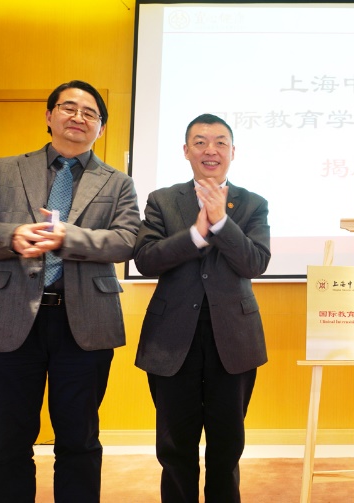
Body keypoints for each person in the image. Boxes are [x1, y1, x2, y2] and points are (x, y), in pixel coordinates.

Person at [0, 80, 140, 502]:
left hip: (84, 323)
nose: (78, 117)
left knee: (79, 440)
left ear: (101, 127)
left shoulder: (118, 183)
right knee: (6, 441)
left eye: (90, 113)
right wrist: (12, 235)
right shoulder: (3, 169)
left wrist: (69, 237)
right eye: (68, 108)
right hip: (7, 319)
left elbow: (126, 240)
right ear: (49, 116)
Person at [134, 113, 270, 503]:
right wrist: (195, 234)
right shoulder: (162, 200)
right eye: (200, 142)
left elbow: (255, 263)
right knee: (175, 447)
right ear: (186, 150)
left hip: (234, 337)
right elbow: (146, 260)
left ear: (232, 151)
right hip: (172, 337)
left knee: (227, 447)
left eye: (220, 142)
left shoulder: (253, 204)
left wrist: (222, 223)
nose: (211, 150)